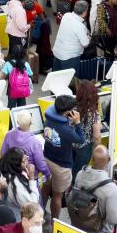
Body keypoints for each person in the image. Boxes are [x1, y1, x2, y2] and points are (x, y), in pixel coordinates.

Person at [43, 95, 87, 225]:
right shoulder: (65, 129)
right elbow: (81, 139)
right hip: (61, 165)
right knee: (57, 195)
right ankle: (54, 222)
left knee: (45, 189)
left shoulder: (48, 119)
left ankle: (39, 212)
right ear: (68, 112)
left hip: (46, 158)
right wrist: (78, 123)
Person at [51, 1, 91, 70]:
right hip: (70, 58)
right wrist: (89, 36)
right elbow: (85, 44)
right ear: (85, 12)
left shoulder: (66, 15)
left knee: (57, 77)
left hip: (57, 53)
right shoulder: (80, 26)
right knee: (70, 79)